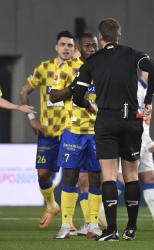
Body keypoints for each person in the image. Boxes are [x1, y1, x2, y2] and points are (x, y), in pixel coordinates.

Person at [73, 18, 154, 241]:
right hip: (131, 119)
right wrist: (148, 100)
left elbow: (77, 97)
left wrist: (88, 105)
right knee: (131, 175)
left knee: (109, 176)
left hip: (107, 119)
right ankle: (131, 229)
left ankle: (111, 230)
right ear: (119, 36)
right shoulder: (133, 53)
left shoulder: (92, 61)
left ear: (100, 38)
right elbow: (153, 71)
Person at [98, 59, 154, 229]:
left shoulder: (146, 90)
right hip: (138, 138)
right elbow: (134, 117)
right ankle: (100, 212)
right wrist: (146, 139)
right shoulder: (137, 89)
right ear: (144, 71)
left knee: (150, 177)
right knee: (125, 176)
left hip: (145, 138)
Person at [19, 31, 76, 231]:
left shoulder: (78, 70)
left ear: (74, 48)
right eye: (63, 44)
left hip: (71, 131)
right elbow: (24, 91)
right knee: (43, 175)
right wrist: (31, 118)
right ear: (56, 47)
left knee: (72, 176)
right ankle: (52, 205)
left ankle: (68, 219)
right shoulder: (44, 68)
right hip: (47, 132)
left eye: (70, 45)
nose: (66, 48)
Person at [50, 33, 102, 239]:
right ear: (79, 48)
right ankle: (65, 225)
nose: (91, 49)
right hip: (73, 133)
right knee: (70, 177)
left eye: (94, 46)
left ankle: (93, 224)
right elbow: (53, 96)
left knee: (95, 178)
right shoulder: (66, 68)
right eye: (87, 46)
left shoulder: (102, 69)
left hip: (97, 133)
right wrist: (74, 87)